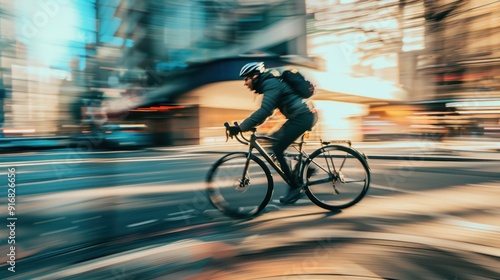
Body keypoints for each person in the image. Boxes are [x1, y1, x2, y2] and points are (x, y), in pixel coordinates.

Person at [227, 62, 318, 204]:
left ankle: (295, 187)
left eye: (246, 79)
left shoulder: (270, 84)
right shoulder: (270, 84)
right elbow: (267, 112)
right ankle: (304, 170)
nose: (245, 83)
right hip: (299, 117)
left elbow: (264, 111)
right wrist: (247, 126)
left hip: (303, 117)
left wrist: (240, 128)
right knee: (274, 141)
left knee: (277, 148)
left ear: (255, 76)